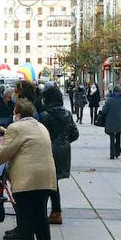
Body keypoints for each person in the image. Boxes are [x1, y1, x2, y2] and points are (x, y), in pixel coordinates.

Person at [0, 98, 57, 240]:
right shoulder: (40, 126)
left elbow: (2, 152)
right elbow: (26, 139)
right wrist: (6, 132)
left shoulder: (15, 127)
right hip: (46, 177)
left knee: (24, 213)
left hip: (27, 178)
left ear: (17, 114)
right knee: (40, 213)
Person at [39, 85, 79, 225]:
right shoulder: (67, 114)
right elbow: (75, 134)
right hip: (63, 151)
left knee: (46, 182)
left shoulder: (45, 115)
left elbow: (40, 135)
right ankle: (56, 212)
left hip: (48, 151)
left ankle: (51, 212)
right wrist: (64, 143)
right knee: (53, 182)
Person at [98, 85, 121, 159]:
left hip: (110, 121)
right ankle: (117, 151)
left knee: (111, 138)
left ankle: (112, 153)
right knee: (118, 136)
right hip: (120, 120)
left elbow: (104, 110)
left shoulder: (109, 99)